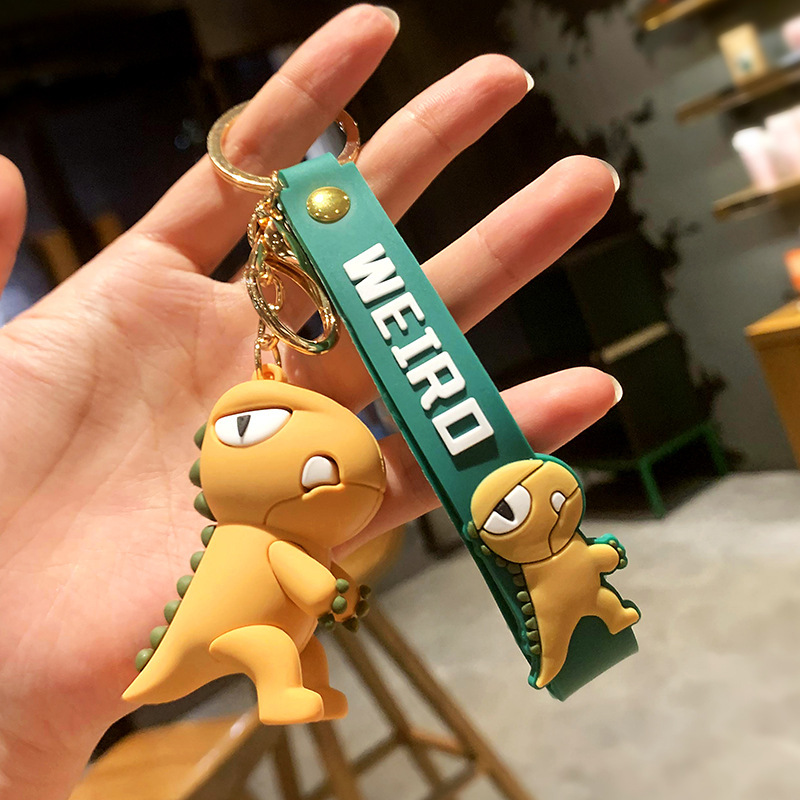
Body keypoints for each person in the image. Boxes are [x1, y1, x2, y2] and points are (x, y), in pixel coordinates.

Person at [0, 6, 621, 799]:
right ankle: (290, 684)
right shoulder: (252, 520)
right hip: (228, 622)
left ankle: (301, 680)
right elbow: (295, 572)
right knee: (274, 648)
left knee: (291, 644)